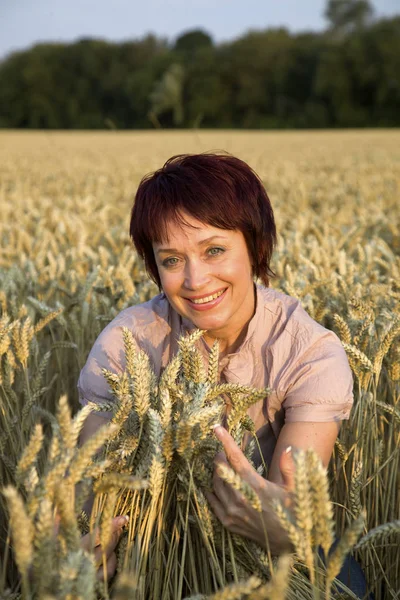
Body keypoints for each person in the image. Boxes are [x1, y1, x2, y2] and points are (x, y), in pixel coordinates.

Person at [78, 153, 354, 578]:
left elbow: (293, 504)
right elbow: (92, 497)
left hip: (273, 557)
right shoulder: (125, 344)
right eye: (171, 260)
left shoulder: (311, 353)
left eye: (214, 250)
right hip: (156, 547)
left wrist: (289, 527)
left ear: (256, 247)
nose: (195, 279)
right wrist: (94, 545)